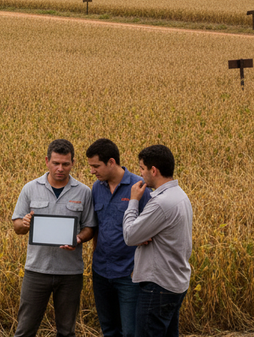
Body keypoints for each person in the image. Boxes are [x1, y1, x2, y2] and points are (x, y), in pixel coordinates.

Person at [12, 139, 97, 337]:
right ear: (47, 161)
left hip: (70, 273)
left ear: (73, 163)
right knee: (25, 330)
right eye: (56, 163)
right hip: (36, 271)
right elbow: (17, 226)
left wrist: (78, 239)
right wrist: (23, 224)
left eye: (65, 164)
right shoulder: (30, 188)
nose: (60, 168)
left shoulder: (84, 192)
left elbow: (90, 227)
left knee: (67, 331)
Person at [122, 145, 193, 337]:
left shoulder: (162, 202)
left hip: (158, 286)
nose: (141, 174)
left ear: (154, 170)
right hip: (174, 283)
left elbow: (129, 236)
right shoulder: (181, 196)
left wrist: (133, 200)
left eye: (142, 168)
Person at [87, 138, 152, 337]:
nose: (92, 171)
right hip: (101, 272)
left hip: (128, 274)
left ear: (112, 162)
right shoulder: (97, 188)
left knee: (130, 331)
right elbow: (96, 227)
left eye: (96, 166)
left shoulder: (139, 188)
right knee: (108, 329)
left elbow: (150, 230)